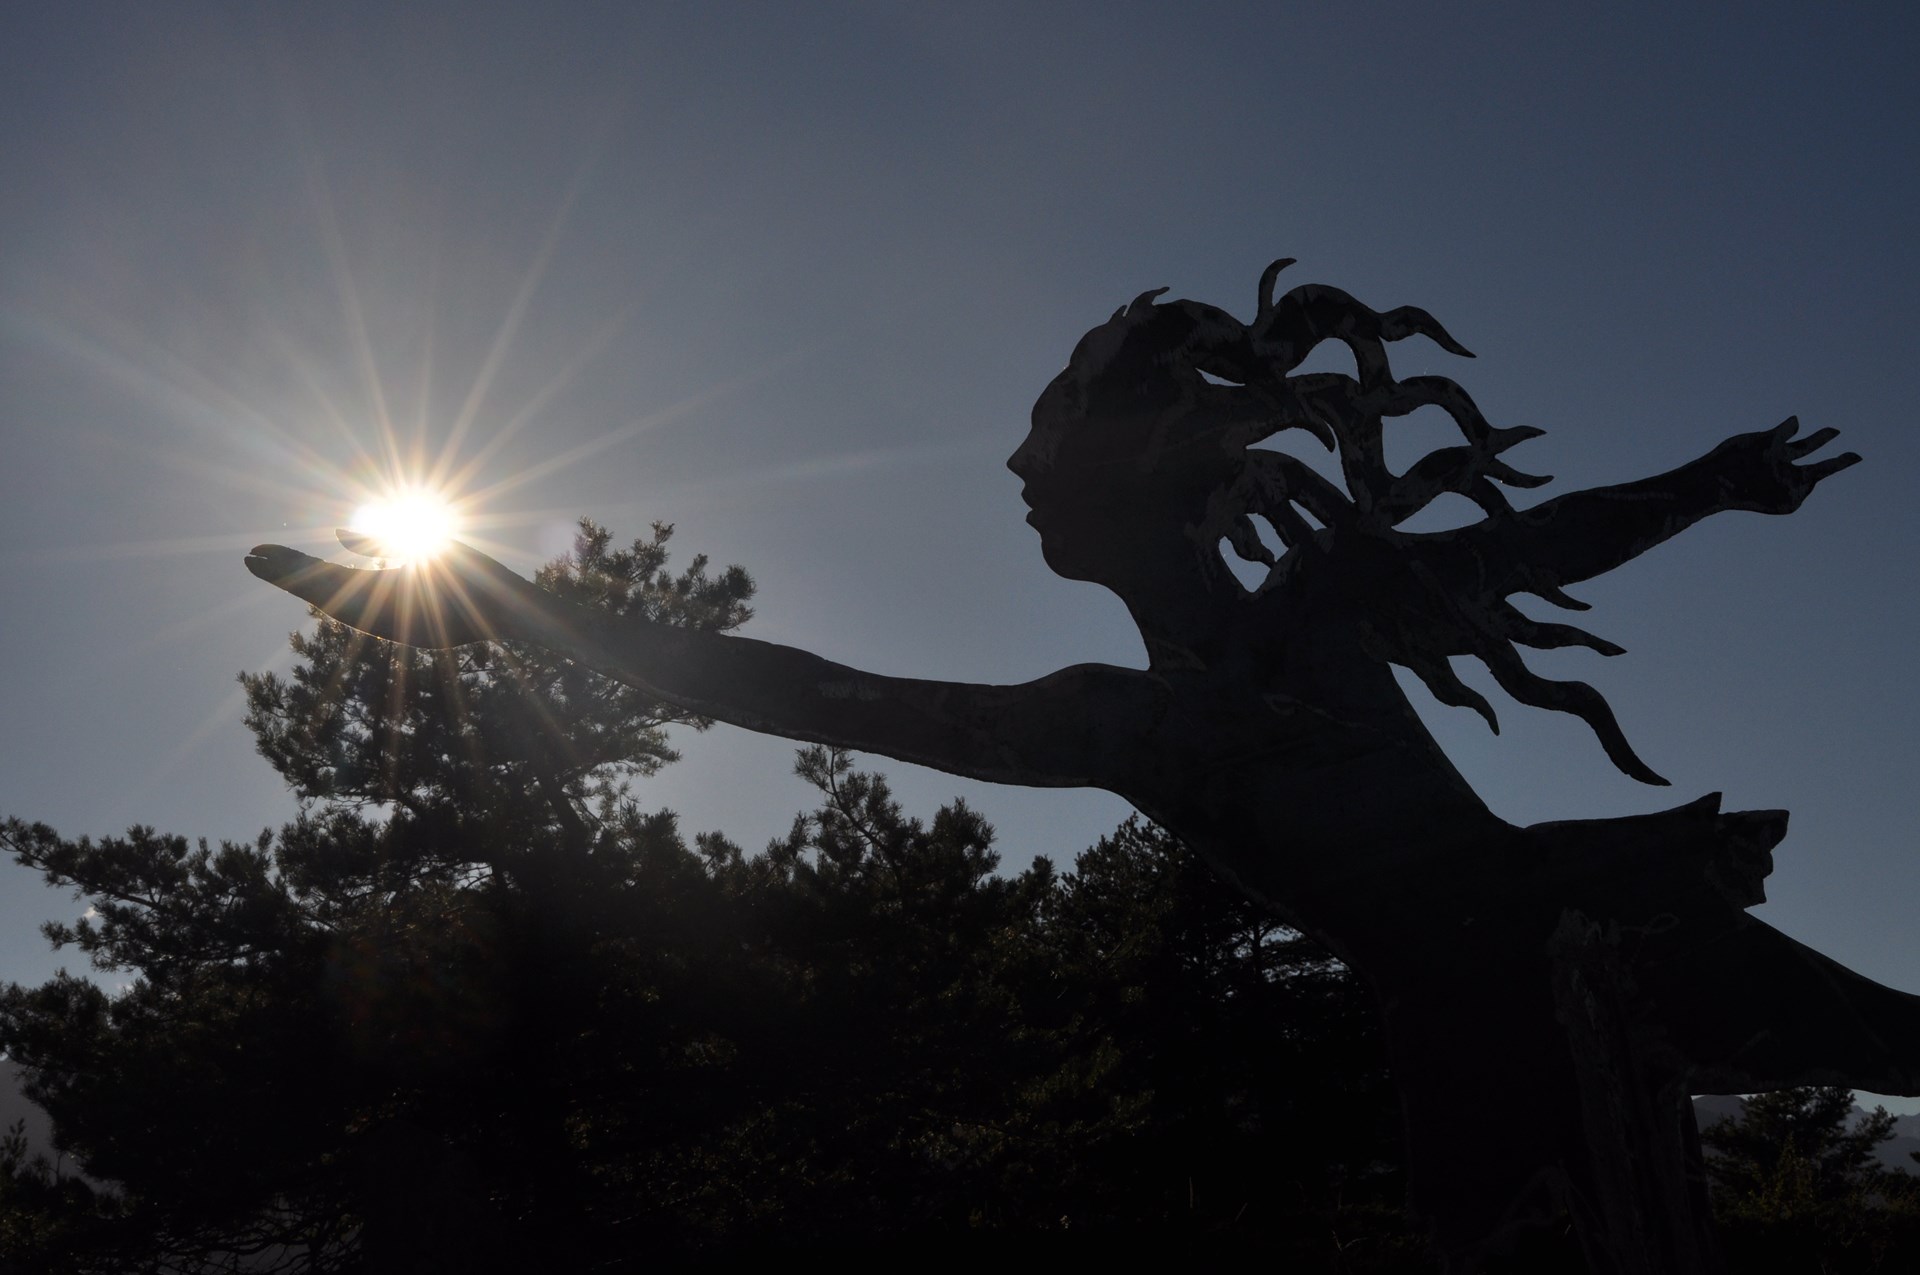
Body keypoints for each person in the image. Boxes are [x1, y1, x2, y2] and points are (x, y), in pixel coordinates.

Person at [246, 262, 1915, 1264]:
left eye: (1057, 436)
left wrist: (1708, 485)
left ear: (1157, 469)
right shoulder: (1110, 719)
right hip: (1475, 1017)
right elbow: (799, 691)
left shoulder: (1288, 627)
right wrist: (498, 609)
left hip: (1560, 935)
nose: (1020, 467)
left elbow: (1530, 547)